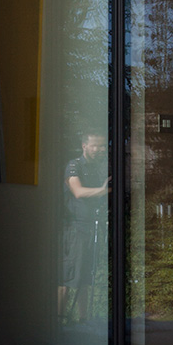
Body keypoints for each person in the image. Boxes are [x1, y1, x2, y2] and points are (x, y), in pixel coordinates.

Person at [58, 131, 109, 323]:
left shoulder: (99, 168)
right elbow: (77, 191)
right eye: (95, 145)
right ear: (84, 146)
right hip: (74, 228)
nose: (99, 149)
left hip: (91, 227)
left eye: (102, 146)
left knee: (86, 276)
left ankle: (83, 319)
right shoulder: (74, 166)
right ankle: (59, 320)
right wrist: (103, 191)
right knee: (67, 275)